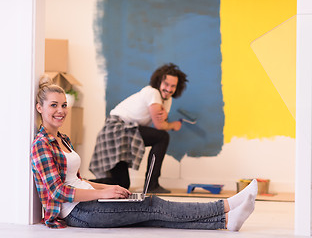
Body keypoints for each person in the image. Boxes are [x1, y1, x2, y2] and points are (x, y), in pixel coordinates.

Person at [30, 75, 257, 231]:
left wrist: (108, 188)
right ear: (40, 108)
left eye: (64, 105)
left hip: (88, 200)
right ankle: (225, 206)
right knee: (152, 205)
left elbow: (78, 180)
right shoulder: (42, 145)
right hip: (78, 212)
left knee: (152, 215)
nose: (61, 111)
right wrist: (104, 194)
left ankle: (226, 220)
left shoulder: (63, 139)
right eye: (53, 105)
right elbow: (58, 192)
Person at [89, 63, 188, 193]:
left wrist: (165, 122)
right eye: (166, 84)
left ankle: (85, 183)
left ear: (177, 87)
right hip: (115, 130)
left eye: (173, 86)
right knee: (163, 137)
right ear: (159, 82)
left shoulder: (167, 100)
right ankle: (152, 185)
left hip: (125, 132)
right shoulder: (153, 92)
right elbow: (160, 126)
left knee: (122, 184)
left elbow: (161, 123)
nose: (169, 89)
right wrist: (174, 125)